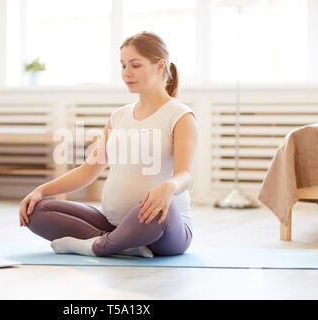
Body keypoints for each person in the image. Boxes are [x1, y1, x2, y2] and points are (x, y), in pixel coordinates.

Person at [19, 31, 198, 258]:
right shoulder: (118, 116)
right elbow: (88, 171)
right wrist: (40, 190)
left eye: (135, 65)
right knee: (37, 211)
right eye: (123, 66)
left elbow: (185, 175)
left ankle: (96, 246)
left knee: (163, 209)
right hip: (112, 223)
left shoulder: (181, 116)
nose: (127, 73)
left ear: (160, 65)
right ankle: (123, 243)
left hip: (165, 228)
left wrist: (169, 186)